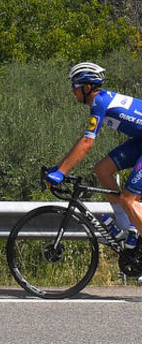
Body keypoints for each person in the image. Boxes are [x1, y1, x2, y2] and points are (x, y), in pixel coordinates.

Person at [45, 62, 142, 248]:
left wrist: (61, 172)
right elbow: (84, 141)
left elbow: (87, 143)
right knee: (102, 169)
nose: (73, 92)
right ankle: (126, 226)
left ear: (87, 88)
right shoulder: (102, 100)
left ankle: (133, 226)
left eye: (75, 87)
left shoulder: (99, 101)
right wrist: (59, 168)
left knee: (128, 199)